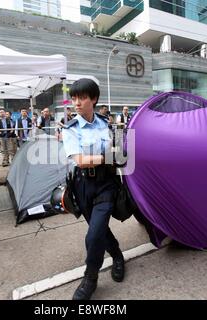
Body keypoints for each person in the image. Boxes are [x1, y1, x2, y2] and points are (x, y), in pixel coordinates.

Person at [62, 78, 125, 300]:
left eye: (82, 98)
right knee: (98, 230)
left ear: (94, 99)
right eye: (74, 98)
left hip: (106, 184)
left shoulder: (106, 124)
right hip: (83, 185)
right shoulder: (70, 128)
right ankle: (117, 255)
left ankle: (90, 278)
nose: (76, 103)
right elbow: (80, 160)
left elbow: (121, 152)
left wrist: (118, 155)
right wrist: (109, 157)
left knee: (94, 233)